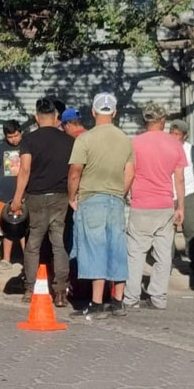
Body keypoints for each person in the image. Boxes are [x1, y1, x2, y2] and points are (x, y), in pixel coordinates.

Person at [67, 92, 135, 320]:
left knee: (95, 248)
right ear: (114, 113)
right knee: (116, 247)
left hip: (91, 198)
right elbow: (130, 172)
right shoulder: (125, 139)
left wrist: (72, 196)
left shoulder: (84, 139)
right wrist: (120, 193)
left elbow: (75, 171)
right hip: (115, 199)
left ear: (93, 112)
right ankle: (117, 300)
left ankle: (97, 302)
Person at [11, 98, 75, 307]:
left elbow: (25, 170)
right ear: (57, 118)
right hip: (61, 198)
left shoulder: (29, 140)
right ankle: (60, 292)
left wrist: (17, 199)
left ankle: (30, 289)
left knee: (33, 245)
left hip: (36, 197)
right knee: (59, 244)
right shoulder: (69, 141)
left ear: (37, 117)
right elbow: (74, 172)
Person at [123, 103, 186, 311]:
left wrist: (126, 194)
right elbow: (179, 180)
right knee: (163, 255)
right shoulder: (175, 144)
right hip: (165, 205)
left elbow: (129, 172)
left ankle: (131, 297)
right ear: (163, 120)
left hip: (141, 204)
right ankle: (158, 297)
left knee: (136, 253)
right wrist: (181, 208)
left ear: (145, 120)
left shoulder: (135, 143)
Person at [169, 119, 194, 274]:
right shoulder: (163, 148)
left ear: (184, 136)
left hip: (187, 194)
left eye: (177, 134)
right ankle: (167, 264)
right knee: (166, 232)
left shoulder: (193, 151)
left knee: (192, 230)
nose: (173, 136)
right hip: (167, 195)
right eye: (171, 132)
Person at [0, 120, 24, 275]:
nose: (13, 139)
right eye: (10, 137)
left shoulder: (26, 147)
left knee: (25, 228)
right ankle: (6, 259)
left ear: (21, 132)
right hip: (4, 195)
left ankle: (27, 259)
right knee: (6, 228)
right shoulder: (0, 148)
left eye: (16, 135)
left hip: (24, 196)